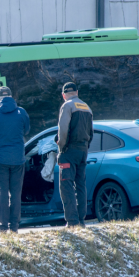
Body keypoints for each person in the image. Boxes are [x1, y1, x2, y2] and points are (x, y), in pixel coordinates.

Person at [0, 86, 30, 233]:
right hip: (18, 160)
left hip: (1, 161)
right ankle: (14, 228)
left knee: (2, 193)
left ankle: (2, 227)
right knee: (16, 193)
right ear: (11, 96)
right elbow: (27, 130)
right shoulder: (21, 112)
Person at [56, 82, 93, 228]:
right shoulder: (87, 108)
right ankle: (81, 220)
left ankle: (72, 222)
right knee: (81, 185)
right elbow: (91, 133)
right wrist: (85, 148)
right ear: (77, 92)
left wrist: (61, 147)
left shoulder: (67, 106)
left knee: (66, 184)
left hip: (69, 151)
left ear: (63, 95)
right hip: (83, 151)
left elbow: (63, 130)